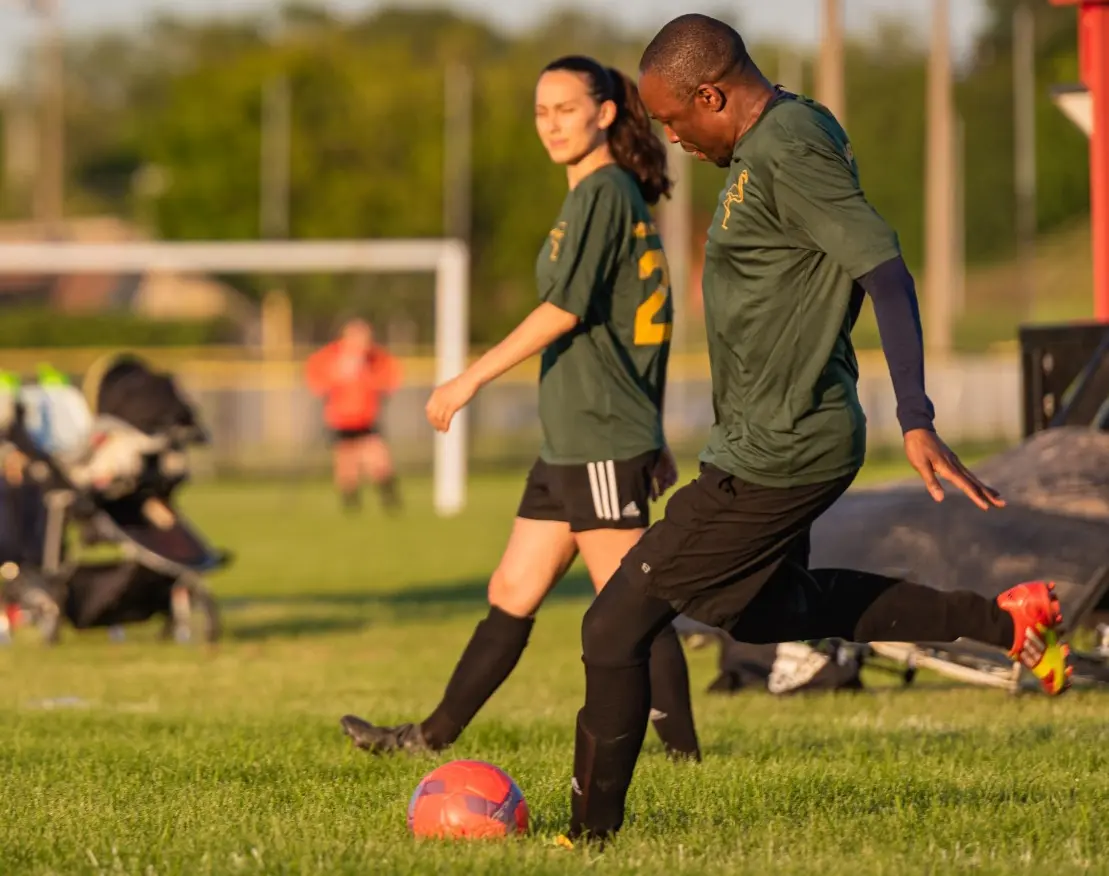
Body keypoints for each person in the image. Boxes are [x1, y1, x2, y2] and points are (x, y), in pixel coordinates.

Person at [558, 14, 1074, 846]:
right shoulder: (783, 134)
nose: (674, 138)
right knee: (769, 613)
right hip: (769, 439)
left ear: (713, 95)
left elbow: (884, 268)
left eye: (674, 119)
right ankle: (1010, 622)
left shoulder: (788, 147)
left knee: (611, 625)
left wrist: (917, 415)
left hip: (780, 449)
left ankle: (586, 840)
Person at [338, 55, 701, 763]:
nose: (551, 124)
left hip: (598, 434)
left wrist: (466, 379)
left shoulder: (603, 192)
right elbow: (634, 327)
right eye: (541, 111)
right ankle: (427, 737)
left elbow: (564, 311)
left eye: (566, 108)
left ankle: (682, 757)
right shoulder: (598, 197)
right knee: (511, 587)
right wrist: (653, 432)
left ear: (603, 113)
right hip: (574, 435)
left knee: (630, 605)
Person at [305, 317, 402, 513]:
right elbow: (316, 381)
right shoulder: (331, 356)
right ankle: (352, 508)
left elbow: (390, 379)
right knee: (347, 469)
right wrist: (337, 375)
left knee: (379, 463)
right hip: (341, 420)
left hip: (366, 419)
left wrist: (368, 377)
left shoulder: (374, 358)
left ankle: (391, 502)